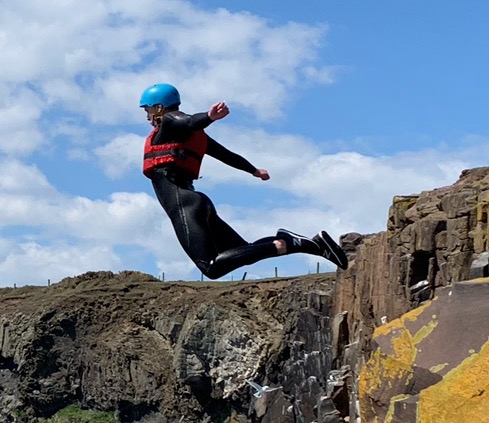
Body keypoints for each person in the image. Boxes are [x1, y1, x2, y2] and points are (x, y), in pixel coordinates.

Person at [138, 83, 348, 278]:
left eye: (147, 110)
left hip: (184, 205)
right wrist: (253, 170)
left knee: (210, 267)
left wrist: (209, 117)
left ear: (158, 108)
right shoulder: (194, 137)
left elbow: (188, 120)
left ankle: (283, 243)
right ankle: (313, 245)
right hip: (199, 203)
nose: (147, 116)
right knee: (244, 249)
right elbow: (227, 155)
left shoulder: (169, 123)